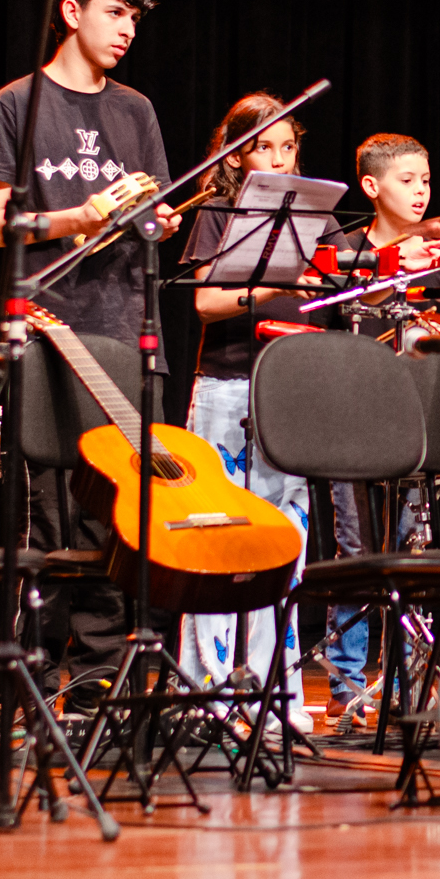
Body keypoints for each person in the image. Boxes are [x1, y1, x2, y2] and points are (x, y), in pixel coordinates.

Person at [0, 0, 182, 718]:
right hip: (48, 331)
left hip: (125, 331)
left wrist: (155, 219)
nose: (126, 30)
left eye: (133, 17)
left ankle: (93, 684)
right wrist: (78, 217)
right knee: (44, 515)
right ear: (72, 11)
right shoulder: (17, 105)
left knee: (112, 515)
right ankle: (30, 673)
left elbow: (154, 210)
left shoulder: (137, 111)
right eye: (113, 12)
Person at [175, 93, 321, 737]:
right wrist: (274, 285)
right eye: (265, 145)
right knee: (216, 540)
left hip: (288, 389)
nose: (279, 157)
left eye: (288, 145)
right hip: (226, 386)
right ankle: (206, 696)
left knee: (282, 544)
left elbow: (343, 274)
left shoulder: (309, 211)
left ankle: (272, 695)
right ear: (238, 152)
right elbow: (205, 303)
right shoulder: (217, 208)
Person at [319, 133, 440, 725]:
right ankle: (346, 685)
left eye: (426, 180)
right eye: (407, 181)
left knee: (412, 553)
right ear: (372, 187)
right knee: (357, 552)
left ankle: (409, 682)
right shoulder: (342, 251)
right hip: (353, 424)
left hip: (416, 425)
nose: (421, 192)